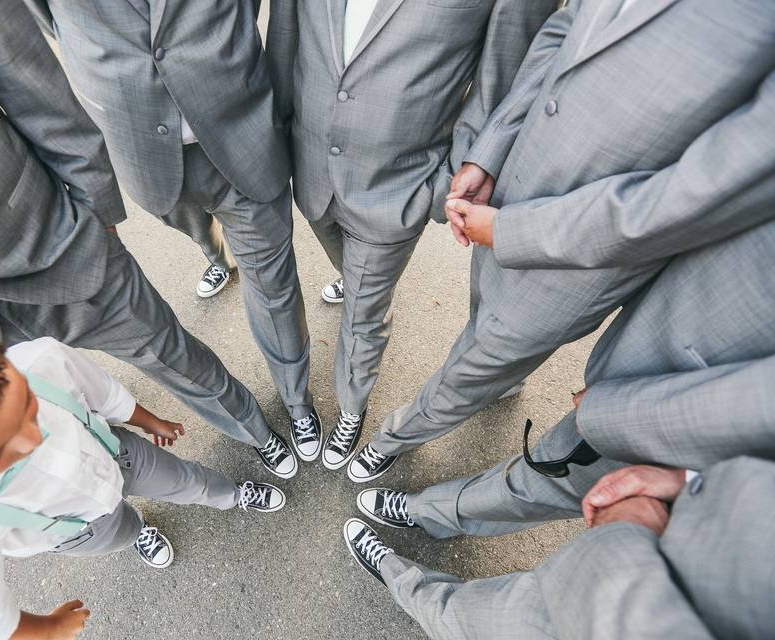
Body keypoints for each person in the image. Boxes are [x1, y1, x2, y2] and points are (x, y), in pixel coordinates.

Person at [0, 0, 300, 479]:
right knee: (39, 434)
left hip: (36, 234)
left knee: (168, 354)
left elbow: (14, 53)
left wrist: (93, 203)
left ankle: (252, 429)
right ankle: (120, 499)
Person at [350, 0, 775, 482]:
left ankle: (399, 435)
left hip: (586, 257)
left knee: (475, 366)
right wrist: (488, 155)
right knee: (482, 317)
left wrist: (511, 231)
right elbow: (563, 30)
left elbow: (696, 197)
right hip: (508, 187)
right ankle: (505, 384)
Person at [0, 305, 287, 640]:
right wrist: (51, 629)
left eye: (26, 403)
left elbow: (100, 393)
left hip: (114, 453)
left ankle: (228, 494)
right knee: (118, 532)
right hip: (70, 530)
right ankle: (138, 529)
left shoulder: (37, 359)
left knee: (187, 480)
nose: (33, 438)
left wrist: (147, 420)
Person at [23, 0, 324, 464]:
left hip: (241, 127)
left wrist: (284, 106)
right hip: (142, 149)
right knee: (197, 229)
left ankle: (296, 398)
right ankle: (216, 255)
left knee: (273, 283)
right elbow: (56, 24)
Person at [353, 212, 775, 540]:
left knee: (539, 483)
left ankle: (434, 513)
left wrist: (620, 418)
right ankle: (502, 392)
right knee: (545, 450)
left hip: (713, 449)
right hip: (659, 340)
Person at [266, 0, 558, 472]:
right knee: (351, 269)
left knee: (364, 316)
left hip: (398, 189)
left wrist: (449, 173)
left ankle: (350, 407)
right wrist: (276, 137)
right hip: (311, 166)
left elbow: (504, 75)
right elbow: (286, 37)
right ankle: (359, 280)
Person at [343, 456, 775, 639]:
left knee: (456, 617)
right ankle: (428, 513)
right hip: (716, 529)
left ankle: (396, 575)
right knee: (527, 489)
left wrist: (623, 533)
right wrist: (691, 480)